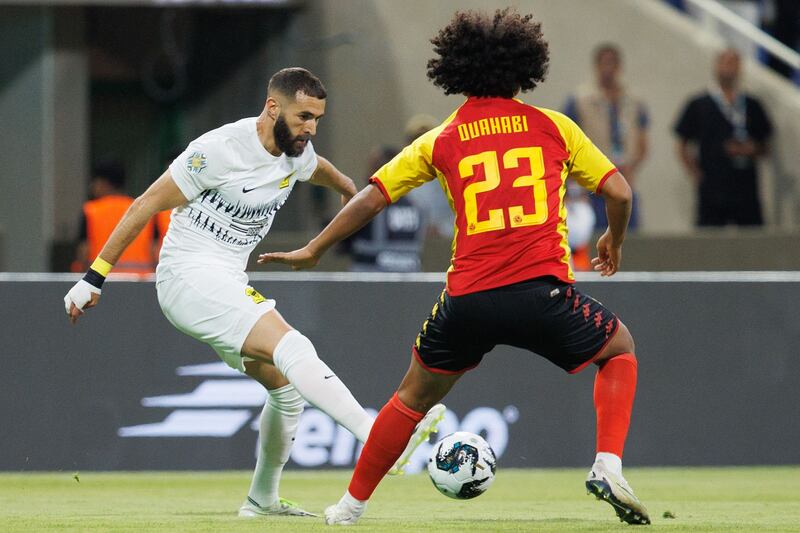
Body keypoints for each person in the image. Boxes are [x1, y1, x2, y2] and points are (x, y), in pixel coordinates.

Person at [260, 9, 649, 526]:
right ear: (523, 69)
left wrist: (315, 248)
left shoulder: (441, 138)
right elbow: (619, 191)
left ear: (458, 71)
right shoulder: (555, 127)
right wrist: (612, 240)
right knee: (619, 349)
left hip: (468, 299)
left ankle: (348, 509)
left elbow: (374, 196)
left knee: (409, 399)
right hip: (543, 293)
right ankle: (607, 465)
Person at [63, 67, 444, 518]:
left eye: (318, 118)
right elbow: (145, 203)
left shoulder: (296, 151)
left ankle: (261, 500)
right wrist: (93, 278)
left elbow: (314, 168)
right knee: (293, 345)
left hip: (226, 281)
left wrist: (346, 187)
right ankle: (380, 437)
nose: (311, 127)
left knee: (286, 389)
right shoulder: (217, 150)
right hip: (188, 277)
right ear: (272, 107)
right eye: (304, 116)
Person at [675, 48, 773, 226]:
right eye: (725, 62)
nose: (729, 68)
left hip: (745, 187)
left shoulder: (752, 105)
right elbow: (682, 142)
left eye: (733, 63)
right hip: (713, 187)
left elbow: (766, 144)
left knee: (752, 241)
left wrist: (751, 149)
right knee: (709, 242)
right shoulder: (699, 104)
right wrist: (696, 174)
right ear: (716, 66)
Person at [564, 43, 649, 231]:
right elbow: (566, 142)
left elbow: (643, 141)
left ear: (620, 66)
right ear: (596, 66)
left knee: (628, 236)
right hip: (593, 184)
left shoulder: (633, 100)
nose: (608, 69)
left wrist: (632, 167)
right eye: (604, 63)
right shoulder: (580, 100)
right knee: (595, 237)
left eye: (612, 63)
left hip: (624, 179)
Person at [348, 145, 425, 272]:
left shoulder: (368, 204)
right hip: (409, 281)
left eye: (373, 168)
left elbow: (343, 239)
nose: (368, 174)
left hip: (369, 280)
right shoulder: (418, 206)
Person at [71, 161, 156, 274]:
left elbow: (84, 252)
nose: (92, 186)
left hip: (101, 281)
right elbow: (154, 251)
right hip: (140, 283)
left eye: (95, 182)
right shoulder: (142, 209)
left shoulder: (91, 211)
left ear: (104, 183)